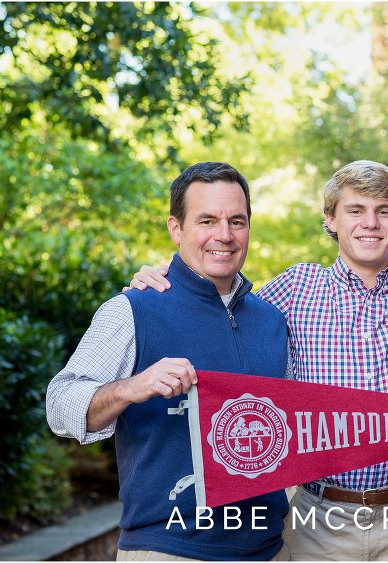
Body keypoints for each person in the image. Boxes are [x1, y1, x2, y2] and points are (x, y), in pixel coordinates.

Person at [128, 37, 388, 561]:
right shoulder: (295, 289)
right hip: (318, 519)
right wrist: (166, 278)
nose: (370, 223)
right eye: (355, 210)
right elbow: (218, 311)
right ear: (331, 222)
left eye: (384, 211)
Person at [46, 162, 291, 561]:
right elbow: (59, 406)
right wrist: (131, 387)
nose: (224, 236)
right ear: (175, 229)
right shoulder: (133, 309)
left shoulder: (271, 320)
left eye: (237, 221)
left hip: (269, 550)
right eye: (207, 220)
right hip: (168, 550)